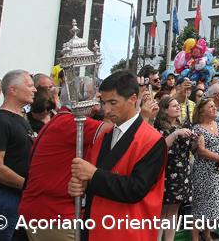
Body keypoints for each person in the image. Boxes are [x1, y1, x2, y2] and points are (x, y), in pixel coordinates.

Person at [68, 70, 166, 241]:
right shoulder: (103, 135)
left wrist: (93, 175)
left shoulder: (152, 140)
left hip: (129, 231)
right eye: (103, 102)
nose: (106, 109)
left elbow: (136, 189)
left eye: (113, 102)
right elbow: (92, 178)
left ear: (133, 99)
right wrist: (81, 185)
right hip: (96, 228)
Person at [20, 101, 104, 241]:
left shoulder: (61, 119)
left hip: (46, 213)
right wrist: (142, 117)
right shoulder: (71, 122)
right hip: (54, 215)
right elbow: (121, 133)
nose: (106, 107)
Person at [0, 70, 36, 240]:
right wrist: (27, 186)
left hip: (18, 197)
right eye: (29, 85)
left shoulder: (21, 119)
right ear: (13, 90)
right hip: (2, 198)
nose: (34, 89)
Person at [154, 96, 195, 241]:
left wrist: (196, 140)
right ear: (164, 110)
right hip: (166, 174)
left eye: (178, 105)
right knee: (161, 212)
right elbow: (160, 147)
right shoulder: (158, 127)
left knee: (174, 211)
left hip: (181, 173)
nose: (178, 107)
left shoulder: (181, 126)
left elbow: (190, 150)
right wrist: (176, 133)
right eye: (173, 106)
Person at [191, 98, 219, 241]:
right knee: (201, 203)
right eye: (211, 107)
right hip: (205, 171)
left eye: (215, 106)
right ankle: (195, 237)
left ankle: (207, 234)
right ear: (202, 110)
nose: (215, 109)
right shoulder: (197, 128)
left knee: (213, 204)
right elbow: (201, 151)